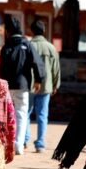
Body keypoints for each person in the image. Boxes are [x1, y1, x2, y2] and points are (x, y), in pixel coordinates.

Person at [0, 14, 45, 155]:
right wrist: (39, 79)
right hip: (22, 86)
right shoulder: (26, 44)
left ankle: (7, 143)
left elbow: (2, 68)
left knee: (7, 115)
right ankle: (18, 145)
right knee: (20, 115)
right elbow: (37, 63)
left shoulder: (6, 47)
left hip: (7, 86)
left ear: (8, 32)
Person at [25, 19, 61, 153]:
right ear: (44, 31)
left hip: (29, 85)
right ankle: (40, 143)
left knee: (26, 113)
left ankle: (24, 140)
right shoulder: (51, 47)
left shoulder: (28, 45)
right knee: (42, 115)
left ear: (31, 31)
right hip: (46, 85)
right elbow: (56, 69)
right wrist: (56, 84)